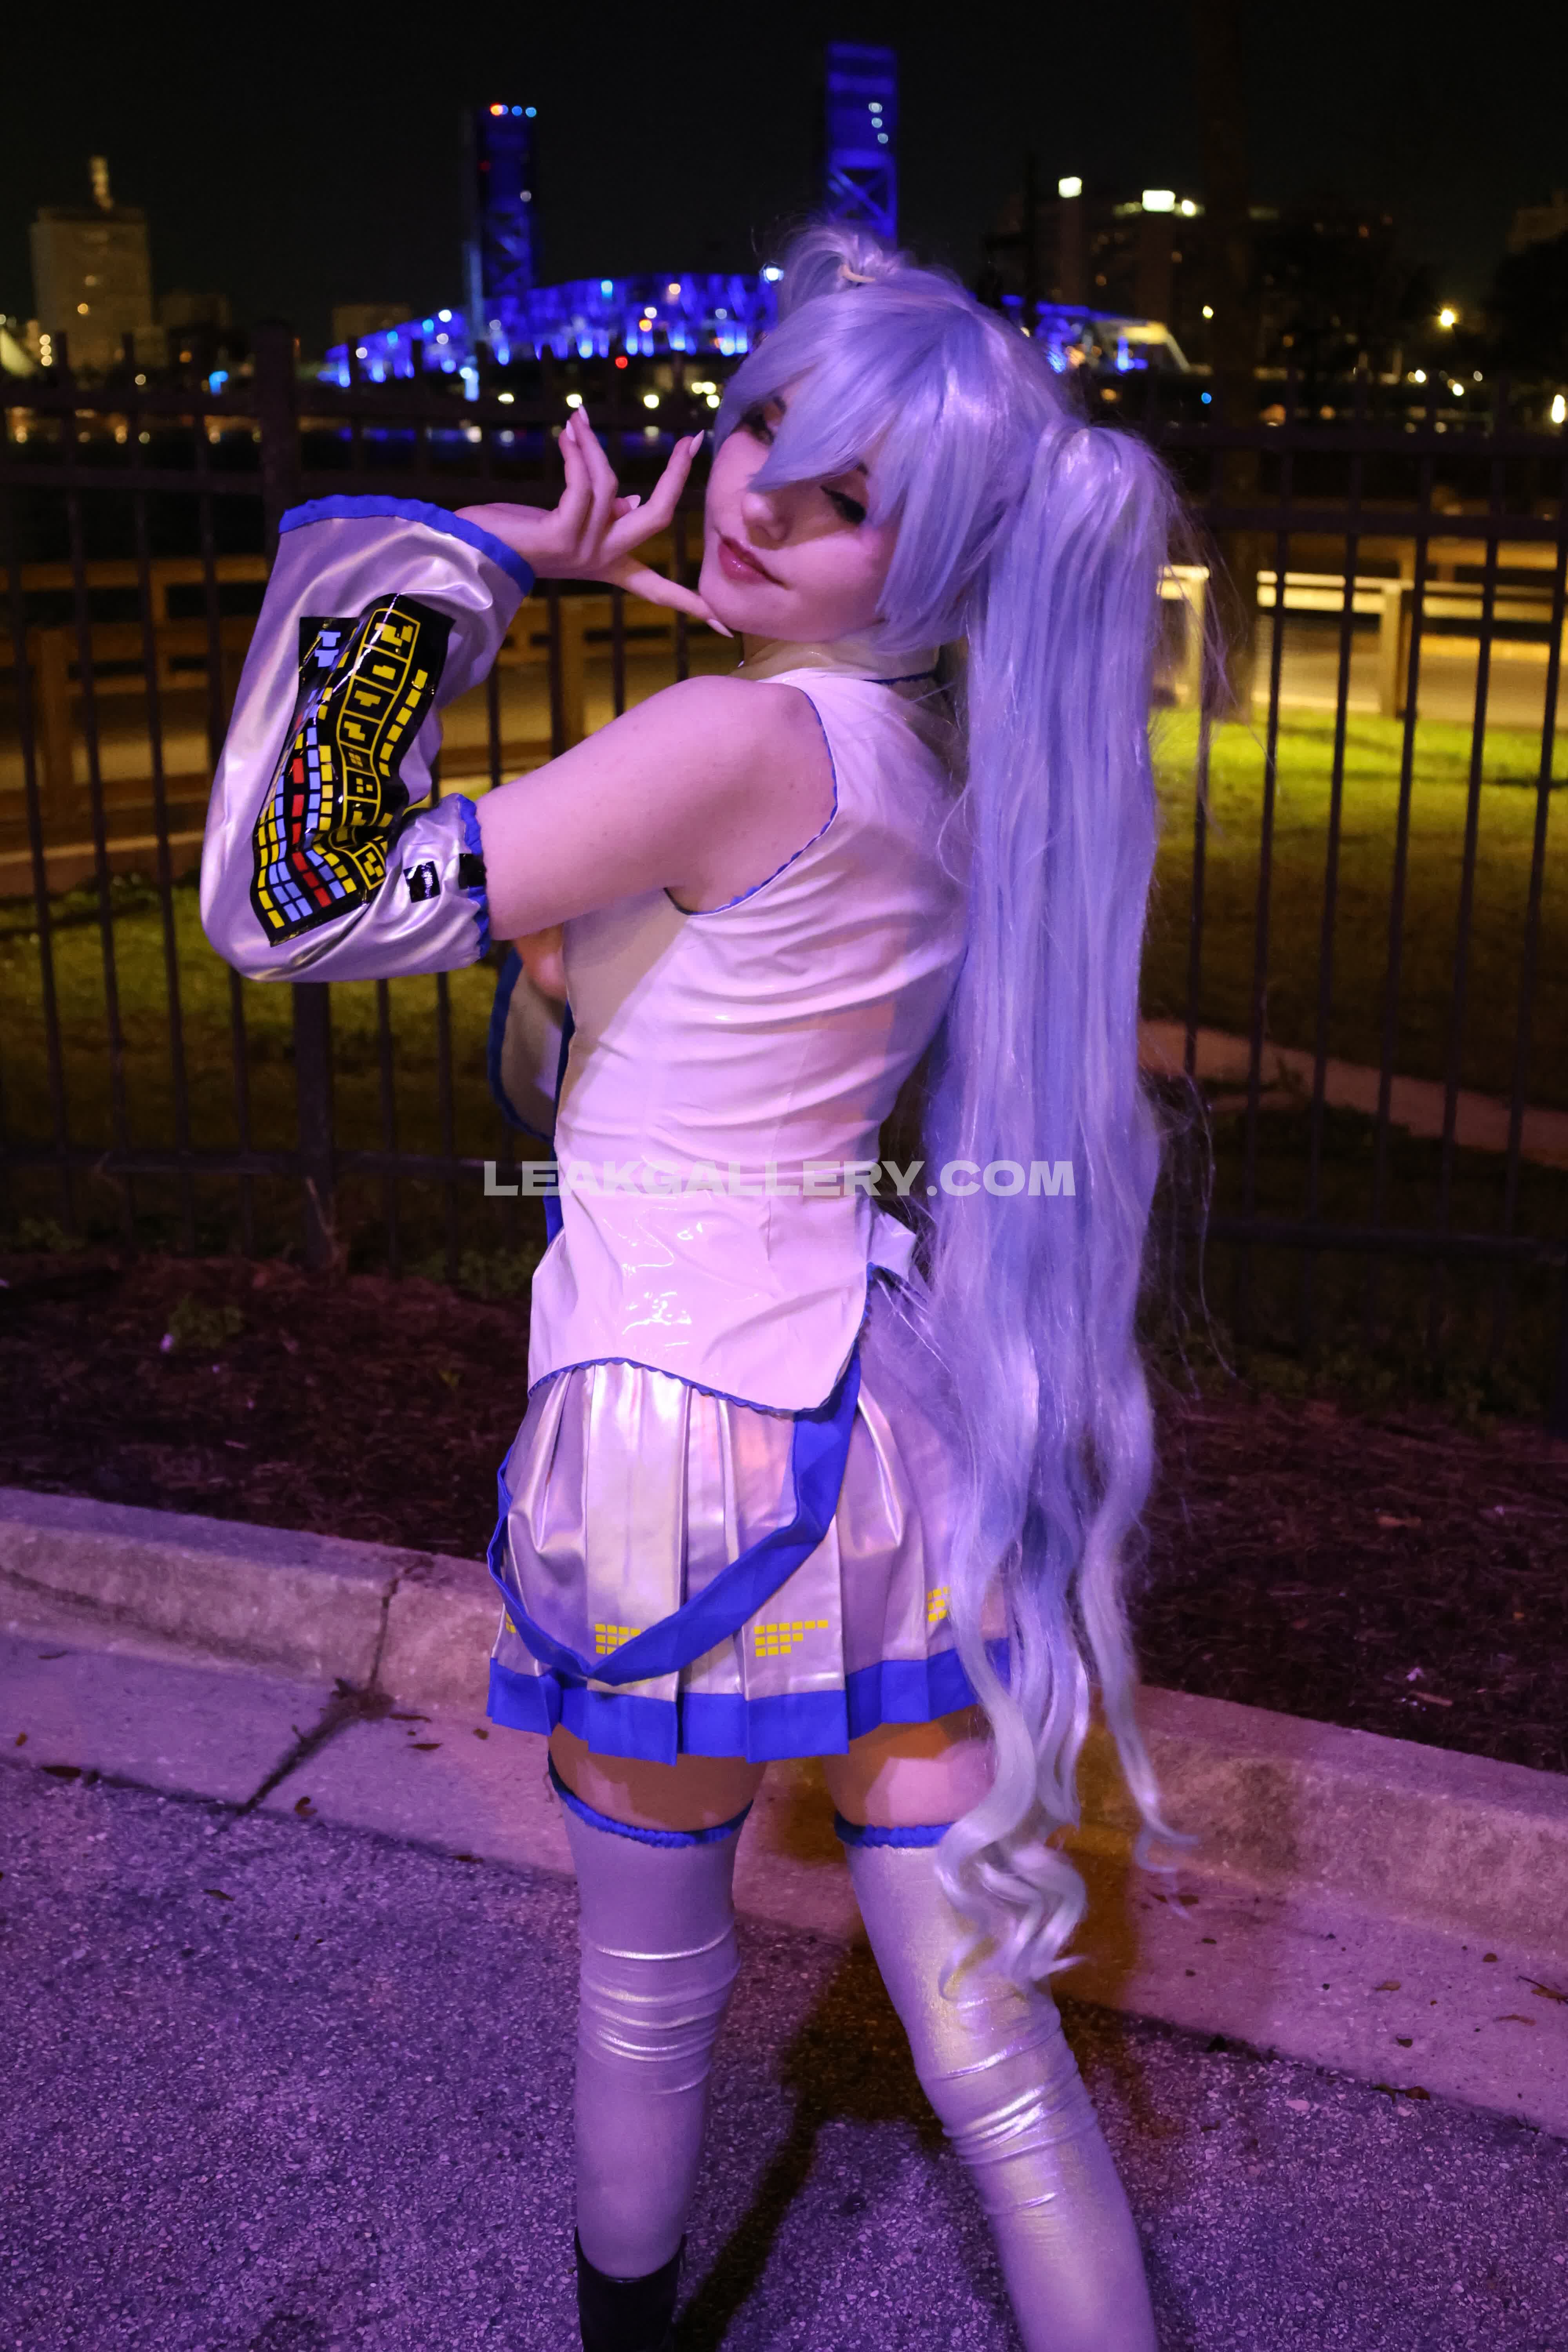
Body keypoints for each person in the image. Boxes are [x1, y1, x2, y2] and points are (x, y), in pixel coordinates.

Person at [201, 225, 1178, 2352]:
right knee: (994, 2054)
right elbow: (640, 1015)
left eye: (845, 498)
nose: (754, 497)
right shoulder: (938, 761)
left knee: (651, 1993)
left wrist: (468, 561)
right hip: (876, 1424)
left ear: (935, 561)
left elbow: (295, 898)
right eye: (760, 431)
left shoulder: (737, 746)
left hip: (681, 1440)